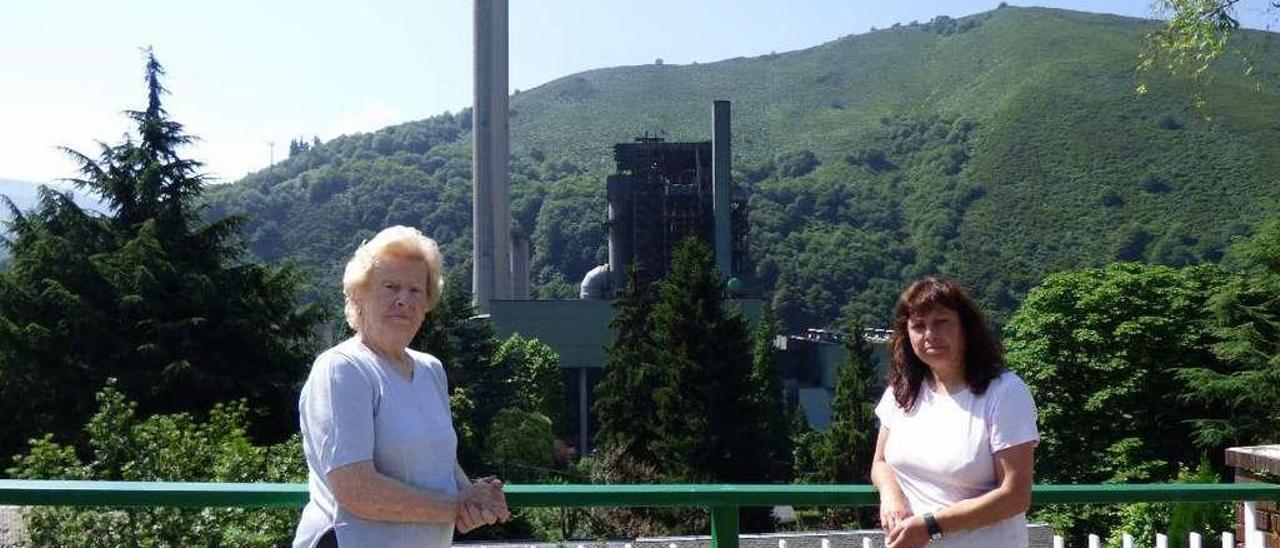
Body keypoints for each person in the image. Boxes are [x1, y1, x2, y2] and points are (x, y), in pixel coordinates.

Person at [293, 225, 510, 548]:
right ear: (359, 295)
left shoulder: (430, 370)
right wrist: (457, 507)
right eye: (390, 287)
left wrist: (475, 495)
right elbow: (357, 490)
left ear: (427, 303)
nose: (403, 300)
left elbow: (441, 462)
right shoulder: (343, 368)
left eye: (415, 290)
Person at [870, 277, 1039, 548]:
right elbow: (880, 463)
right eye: (918, 326)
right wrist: (891, 495)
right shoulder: (903, 391)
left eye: (941, 322)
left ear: (966, 328)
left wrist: (930, 526)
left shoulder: (1005, 392)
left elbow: (1015, 495)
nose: (930, 335)